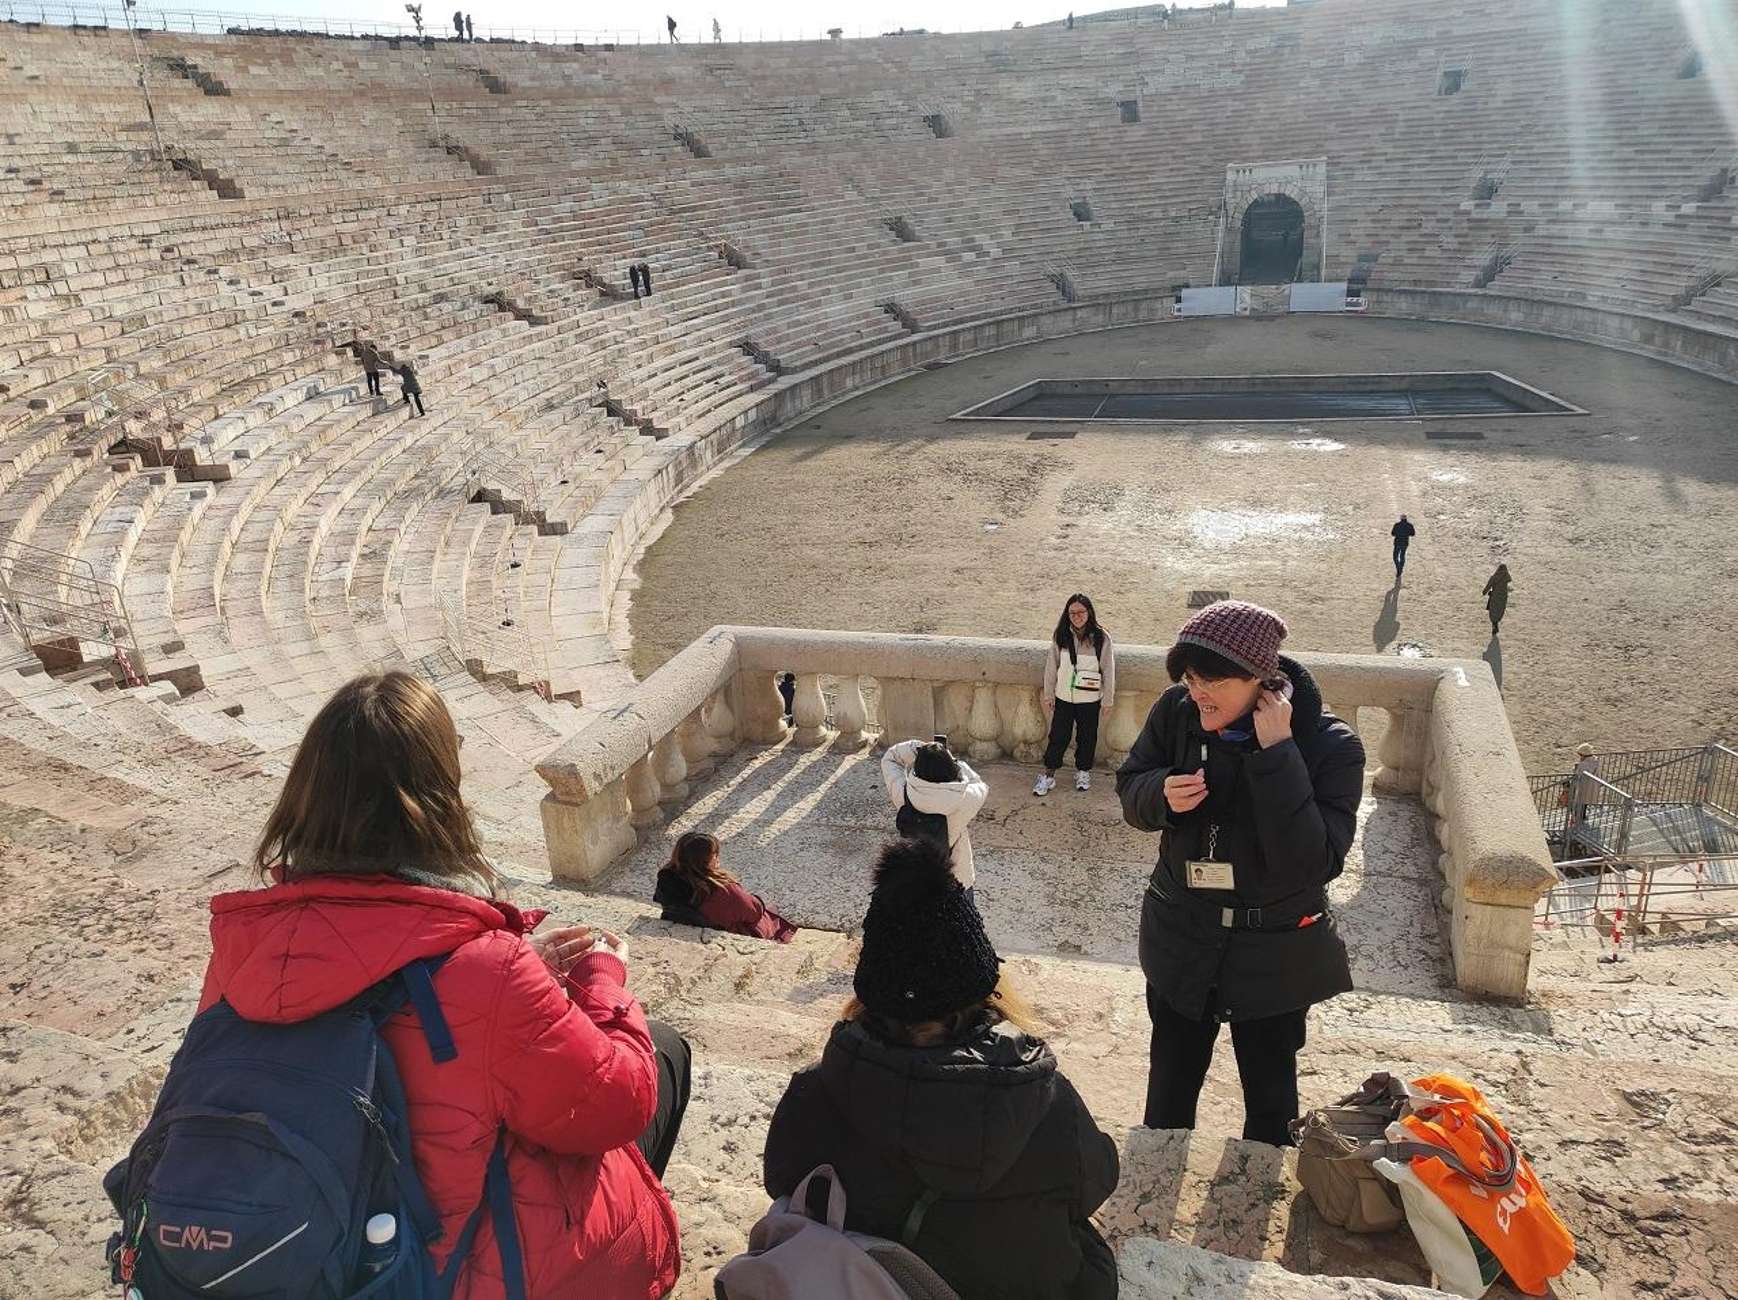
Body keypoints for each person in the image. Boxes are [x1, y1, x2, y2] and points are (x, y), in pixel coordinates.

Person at [195, 672, 685, 1295]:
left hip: (294, 1246)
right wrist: (603, 982)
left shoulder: (242, 947)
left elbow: (362, 969)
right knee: (662, 1053)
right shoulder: (490, 969)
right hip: (438, 1274)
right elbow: (618, 1106)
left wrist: (513, 967)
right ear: (441, 792)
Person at [762, 837, 1119, 1300]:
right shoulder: (1048, 1100)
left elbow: (781, 1182)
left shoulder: (813, 1092)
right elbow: (1096, 1185)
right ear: (986, 990)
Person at [1116, 600, 1365, 1146]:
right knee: (1168, 1098)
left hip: (1274, 951)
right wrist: (1158, 794)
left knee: (1271, 1110)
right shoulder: (1176, 712)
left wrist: (1278, 754)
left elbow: (1317, 863)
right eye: (1190, 678)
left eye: (1213, 681)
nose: (1197, 693)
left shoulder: (1329, 745)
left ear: (1261, 680)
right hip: (1182, 937)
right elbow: (1131, 787)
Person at [880, 738, 989, 904]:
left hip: (916, 876)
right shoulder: (966, 800)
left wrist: (918, 748)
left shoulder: (904, 794)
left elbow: (890, 758)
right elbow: (979, 784)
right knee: (963, 918)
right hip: (956, 878)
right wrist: (954, 761)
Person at [1036, 593, 1116, 795]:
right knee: (1058, 737)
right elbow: (1051, 666)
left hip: (1090, 699)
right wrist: (1049, 694)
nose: (1077, 616)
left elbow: (1108, 669)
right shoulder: (1061, 635)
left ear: (1089, 612)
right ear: (1067, 614)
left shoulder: (1101, 637)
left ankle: (1083, 772)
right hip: (1063, 696)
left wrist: (1108, 700)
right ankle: (1048, 775)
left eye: (1081, 612)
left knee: (1087, 737)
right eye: (1072, 613)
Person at [654, 830, 798, 942]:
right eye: (714, 854)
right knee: (769, 914)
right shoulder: (722, 891)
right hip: (730, 930)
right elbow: (754, 912)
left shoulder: (667, 879)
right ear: (704, 861)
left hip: (696, 923)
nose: (717, 857)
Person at [1483, 563, 1512, 635]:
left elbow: (1489, 585)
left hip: (1494, 597)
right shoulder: (1506, 578)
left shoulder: (1494, 577)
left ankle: (1494, 624)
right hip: (1503, 598)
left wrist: (1484, 592)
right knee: (1499, 611)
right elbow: (1509, 582)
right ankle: (1496, 624)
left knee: (1493, 611)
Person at [1391, 514, 1416, 581]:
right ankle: (1400, 568)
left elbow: (1393, 533)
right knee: (1402, 556)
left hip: (1397, 542)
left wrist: (1398, 533)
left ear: (1400, 518)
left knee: (1395, 557)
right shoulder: (1409, 525)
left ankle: (1398, 568)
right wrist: (1406, 533)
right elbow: (1413, 534)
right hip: (1405, 542)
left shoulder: (1397, 525)